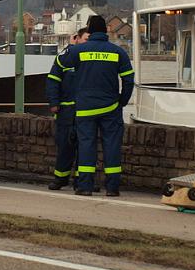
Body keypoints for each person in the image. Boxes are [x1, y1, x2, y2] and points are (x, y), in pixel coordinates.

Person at [57, 15, 134, 197]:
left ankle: (85, 186)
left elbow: (60, 64)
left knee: (86, 146)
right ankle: (112, 188)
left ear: (89, 31)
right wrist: (122, 101)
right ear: (106, 30)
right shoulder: (118, 52)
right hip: (110, 108)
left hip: (85, 108)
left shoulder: (78, 51)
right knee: (112, 146)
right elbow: (129, 80)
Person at [45, 27, 89, 190]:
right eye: (86, 39)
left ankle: (82, 181)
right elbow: (52, 81)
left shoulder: (90, 60)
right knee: (64, 146)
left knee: (85, 148)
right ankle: (60, 178)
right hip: (66, 112)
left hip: (86, 111)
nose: (88, 43)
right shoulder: (64, 58)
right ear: (76, 38)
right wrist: (54, 104)